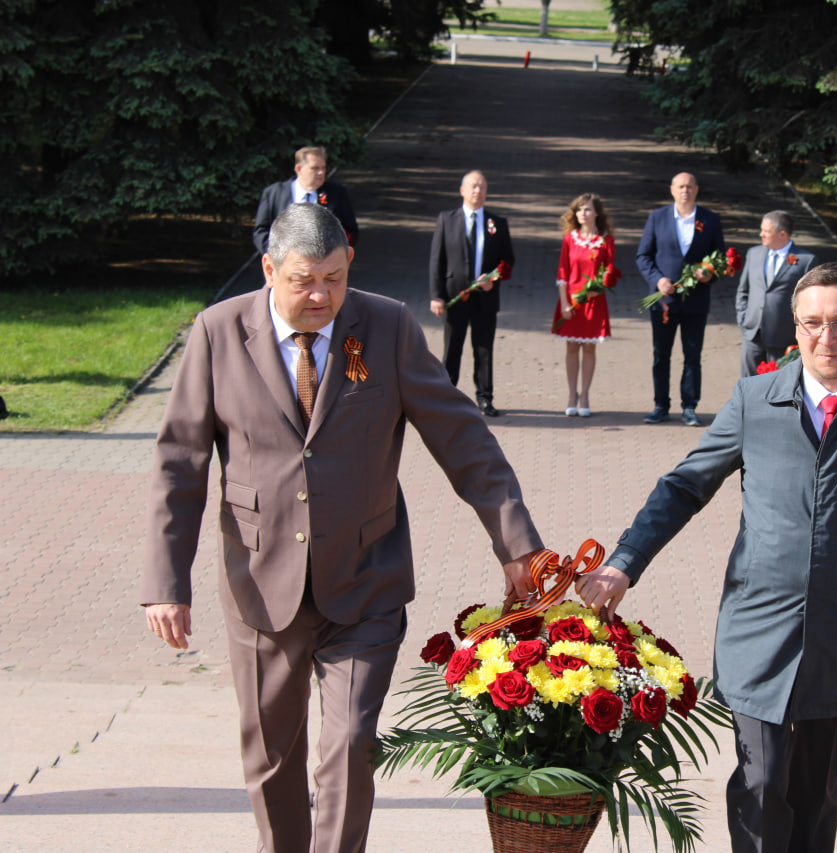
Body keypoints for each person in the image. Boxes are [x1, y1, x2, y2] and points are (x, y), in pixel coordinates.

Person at [141, 203, 542, 853]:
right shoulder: (218, 333)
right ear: (269, 270)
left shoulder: (385, 326)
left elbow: (460, 435)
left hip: (365, 580)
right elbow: (178, 462)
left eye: (334, 276)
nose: (322, 294)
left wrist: (517, 542)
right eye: (303, 280)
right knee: (272, 758)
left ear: (349, 264)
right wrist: (167, 580)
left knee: (350, 742)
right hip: (259, 582)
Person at [578, 261, 837, 853]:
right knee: (760, 781)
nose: (825, 338)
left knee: (815, 796)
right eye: (811, 323)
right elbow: (685, 486)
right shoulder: (756, 400)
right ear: (794, 327)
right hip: (758, 629)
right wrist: (624, 561)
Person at [636, 171, 726, 427]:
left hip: (696, 302)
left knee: (693, 355)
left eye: (689, 186)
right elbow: (643, 256)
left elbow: (720, 258)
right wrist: (658, 280)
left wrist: (709, 273)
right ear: (672, 190)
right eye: (680, 186)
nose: (685, 190)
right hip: (664, 301)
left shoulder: (710, 219)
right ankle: (660, 405)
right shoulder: (658, 218)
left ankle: (689, 406)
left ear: (696, 189)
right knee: (660, 355)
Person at [429, 170, 516, 417]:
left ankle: (485, 398)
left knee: (484, 348)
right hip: (455, 296)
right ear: (462, 190)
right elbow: (437, 260)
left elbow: (508, 260)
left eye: (483, 187)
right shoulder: (447, 219)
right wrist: (437, 295)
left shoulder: (496, 223)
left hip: (485, 298)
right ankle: (446, 397)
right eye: (474, 186)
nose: (478, 191)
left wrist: (494, 279)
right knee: (452, 348)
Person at [552, 193, 615, 418]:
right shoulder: (570, 239)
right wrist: (565, 304)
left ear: (596, 213)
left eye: (587, 209)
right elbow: (562, 273)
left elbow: (609, 271)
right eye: (579, 210)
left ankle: (585, 395)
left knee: (589, 348)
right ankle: (571, 395)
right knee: (571, 347)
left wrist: (601, 287)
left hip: (594, 303)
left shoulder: (606, 240)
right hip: (571, 301)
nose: (582, 214)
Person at [735, 211, 816, 377]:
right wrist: (743, 319)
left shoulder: (806, 260)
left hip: (784, 338)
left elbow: (811, 302)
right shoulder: (754, 253)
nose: (761, 234)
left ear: (782, 234)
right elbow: (743, 291)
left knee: (780, 386)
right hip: (752, 334)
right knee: (748, 385)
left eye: (766, 231)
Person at [253, 145, 359, 255]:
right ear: (299, 169)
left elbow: (350, 231)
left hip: (324, 266)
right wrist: (276, 257)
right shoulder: (274, 193)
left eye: (323, 168)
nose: (321, 172)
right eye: (315, 168)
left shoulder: (337, 193)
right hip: (285, 265)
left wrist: (336, 256)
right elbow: (261, 232)